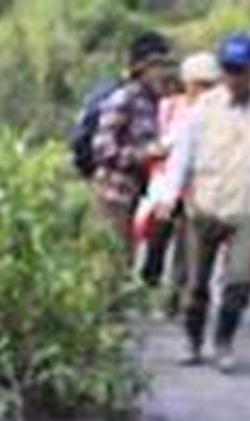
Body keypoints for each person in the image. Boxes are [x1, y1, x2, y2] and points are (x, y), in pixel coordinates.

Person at [156, 33, 250, 371]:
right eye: (228, 69)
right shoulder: (204, 107)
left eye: (241, 69)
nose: (234, 77)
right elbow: (182, 155)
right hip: (204, 206)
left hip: (248, 209)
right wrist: (169, 195)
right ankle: (192, 342)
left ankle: (224, 342)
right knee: (195, 284)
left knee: (239, 281)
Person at [138, 52, 223, 314]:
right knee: (157, 241)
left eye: (209, 85)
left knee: (188, 247)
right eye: (200, 84)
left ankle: (178, 298)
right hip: (166, 185)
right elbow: (155, 139)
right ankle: (149, 288)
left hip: (197, 189)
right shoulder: (169, 106)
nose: (204, 90)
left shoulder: (219, 111)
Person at [91, 31, 174, 259]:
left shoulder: (152, 103)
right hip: (113, 196)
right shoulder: (123, 99)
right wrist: (143, 155)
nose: (163, 72)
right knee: (113, 264)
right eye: (157, 65)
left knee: (126, 261)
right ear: (141, 68)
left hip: (134, 195)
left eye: (165, 65)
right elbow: (102, 148)